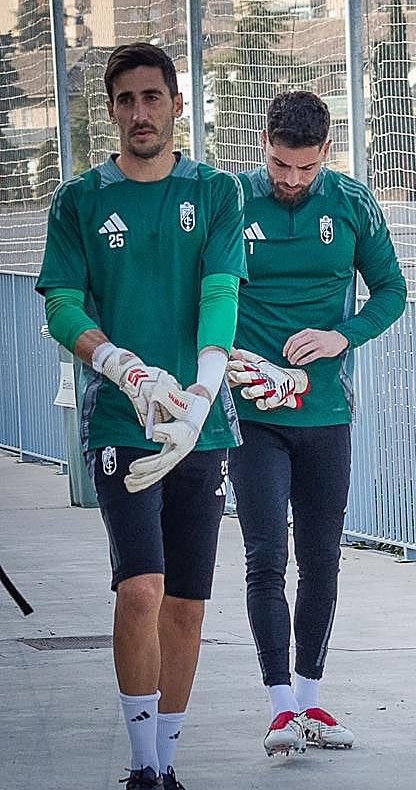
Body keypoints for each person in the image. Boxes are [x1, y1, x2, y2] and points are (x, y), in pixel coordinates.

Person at [36, 42, 245, 790]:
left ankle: (168, 758)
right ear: (112, 110)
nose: (139, 113)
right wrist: (122, 366)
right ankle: (141, 768)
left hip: (201, 425)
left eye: (152, 97)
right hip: (125, 424)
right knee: (141, 590)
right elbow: (60, 304)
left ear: (176, 104)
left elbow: (221, 293)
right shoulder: (80, 200)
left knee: (186, 605)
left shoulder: (218, 192)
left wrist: (202, 393)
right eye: (125, 100)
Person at [226, 91, 407, 756]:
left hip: (327, 411)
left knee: (323, 559)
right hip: (253, 414)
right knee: (265, 555)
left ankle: (310, 702)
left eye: (305, 169)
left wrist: (341, 337)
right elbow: (205, 291)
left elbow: (392, 291)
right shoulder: (232, 200)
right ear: (263, 144)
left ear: (326, 152)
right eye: (280, 165)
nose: (292, 180)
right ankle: (278, 708)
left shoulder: (352, 202)